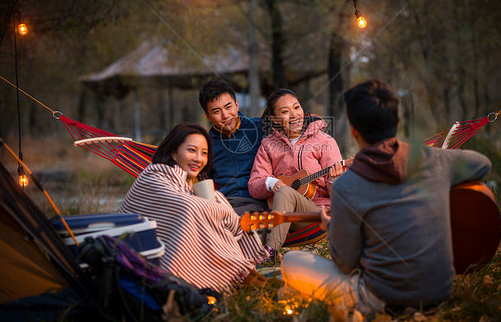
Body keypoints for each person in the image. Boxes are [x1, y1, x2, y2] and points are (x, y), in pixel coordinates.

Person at [280, 79, 492, 320]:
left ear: (354, 132)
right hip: (439, 291)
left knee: (291, 261)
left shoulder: (346, 187)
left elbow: (345, 264)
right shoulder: (435, 159)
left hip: (381, 299)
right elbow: (482, 164)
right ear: (397, 123)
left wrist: (335, 228)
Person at [119, 123, 268, 292]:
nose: (199, 158)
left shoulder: (185, 185)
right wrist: (221, 208)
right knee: (198, 213)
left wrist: (213, 205)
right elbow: (187, 207)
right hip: (137, 259)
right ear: (174, 152)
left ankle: (246, 277)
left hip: (157, 252)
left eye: (204, 153)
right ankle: (241, 278)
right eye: (191, 150)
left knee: (207, 213)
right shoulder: (154, 176)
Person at [248, 88, 345, 253]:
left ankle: (269, 252)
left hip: (316, 216)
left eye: (296, 107)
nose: (293, 115)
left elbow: (340, 195)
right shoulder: (268, 145)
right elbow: (254, 185)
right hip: (282, 215)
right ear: (275, 119)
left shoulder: (324, 141)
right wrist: (271, 183)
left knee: (285, 192)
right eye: (285, 111)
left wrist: (334, 180)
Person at [199, 79, 268, 215]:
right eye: (216, 111)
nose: (225, 115)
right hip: (225, 204)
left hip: (260, 201)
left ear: (237, 105)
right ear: (208, 116)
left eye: (228, 107)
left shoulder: (260, 128)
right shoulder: (205, 145)